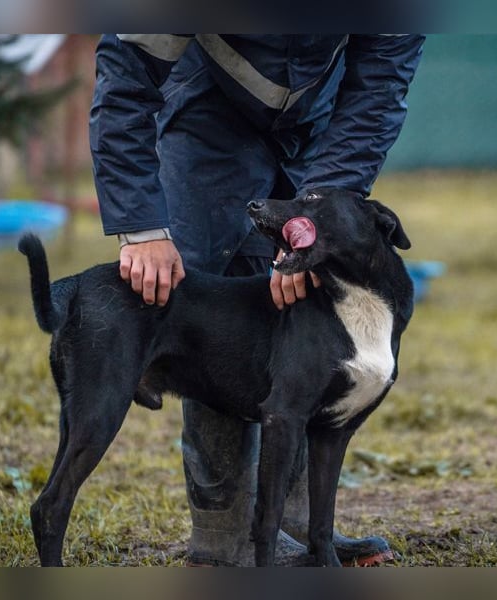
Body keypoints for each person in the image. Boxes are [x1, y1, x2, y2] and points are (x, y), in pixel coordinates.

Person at [90, 34, 424, 566]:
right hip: (208, 114)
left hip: (321, 120)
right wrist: (140, 226)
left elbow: (379, 87)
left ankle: (292, 523)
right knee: (206, 295)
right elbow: (126, 74)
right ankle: (226, 535)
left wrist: (311, 225)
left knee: (308, 296)